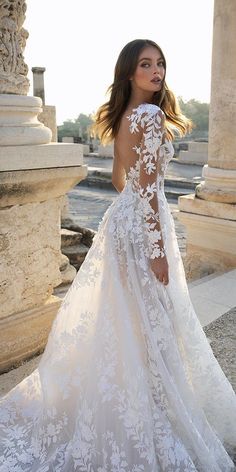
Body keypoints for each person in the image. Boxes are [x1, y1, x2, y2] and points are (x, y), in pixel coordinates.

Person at [0, 39, 236, 472]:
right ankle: (149, 401)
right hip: (144, 226)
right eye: (146, 64)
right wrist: (158, 246)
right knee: (150, 317)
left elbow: (118, 179)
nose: (156, 69)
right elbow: (146, 190)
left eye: (160, 63)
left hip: (121, 224)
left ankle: (135, 391)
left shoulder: (122, 116)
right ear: (129, 72)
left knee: (129, 316)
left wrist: (129, 221)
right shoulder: (150, 115)